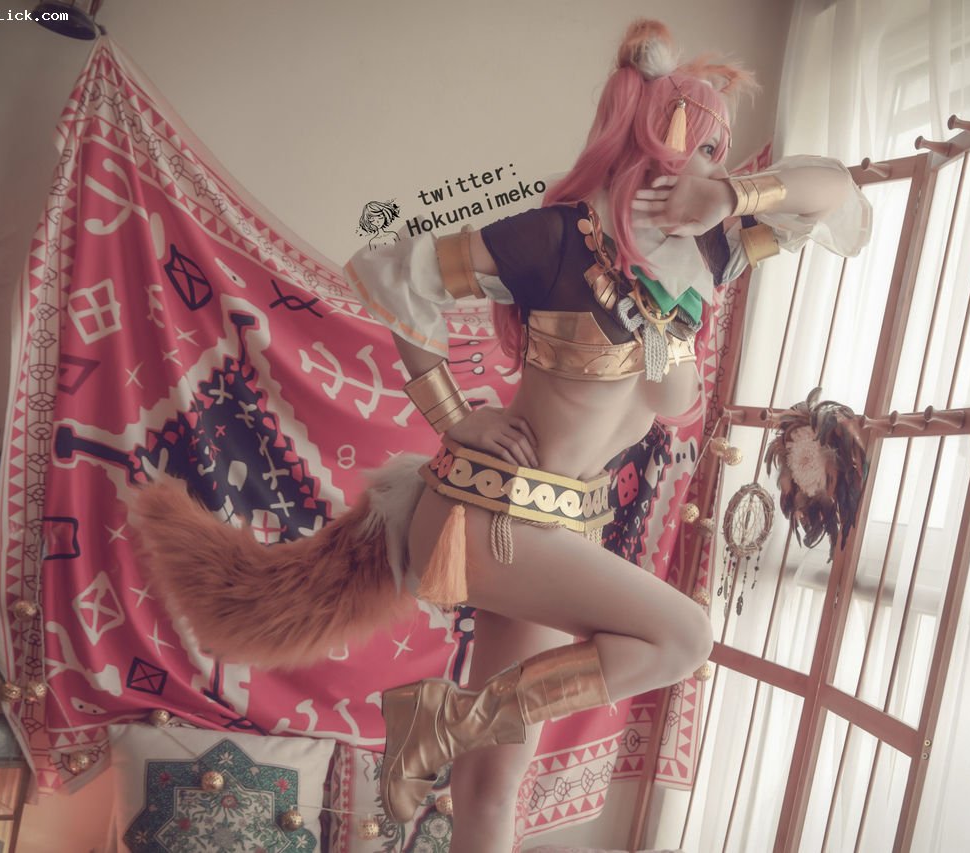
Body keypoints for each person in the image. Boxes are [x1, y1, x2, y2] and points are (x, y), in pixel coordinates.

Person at [135, 18, 869, 853]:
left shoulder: (711, 253)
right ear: (656, 142)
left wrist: (735, 197)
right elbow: (386, 270)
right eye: (703, 147)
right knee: (684, 635)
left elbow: (838, 194)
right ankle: (440, 724)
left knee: (491, 793)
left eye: (721, 151)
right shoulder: (557, 239)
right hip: (489, 517)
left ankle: (445, 727)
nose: (715, 163)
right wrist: (456, 414)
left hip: (559, 526)